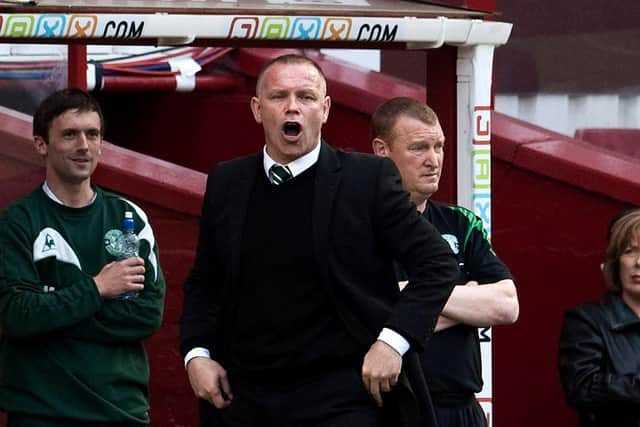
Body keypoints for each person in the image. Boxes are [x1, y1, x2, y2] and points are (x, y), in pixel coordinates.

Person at [179, 54, 459, 427]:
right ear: (257, 109)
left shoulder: (367, 179)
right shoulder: (228, 182)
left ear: (325, 109)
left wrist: (393, 341)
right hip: (246, 397)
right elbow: (205, 281)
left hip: (342, 395)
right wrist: (196, 354)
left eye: (306, 97)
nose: (293, 107)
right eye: (279, 97)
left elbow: (438, 265)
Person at [0, 88, 166, 427]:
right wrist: (98, 288)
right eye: (70, 134)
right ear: (41, 144)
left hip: (121, 410)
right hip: (41, 412)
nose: (84, 145)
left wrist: (54, 307)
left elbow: (147, 314)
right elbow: (18, 316)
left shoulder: (129, 218)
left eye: (92, 134)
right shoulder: (18, 222)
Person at [371, 97, 519, 427]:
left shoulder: (461, 223)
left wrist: (413, 294)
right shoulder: (357, 225)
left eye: (439, 147)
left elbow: (507, 306)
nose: (433, 160)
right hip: (390, 408)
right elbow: (368, 317)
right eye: (419, 148)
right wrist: (465, 298)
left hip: (461, 411)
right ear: (382, 150)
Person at [558, 208, 640, 427]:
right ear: (616, 261)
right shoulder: (587, 321)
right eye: (629, 251)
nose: (638, 262)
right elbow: (581, 388)